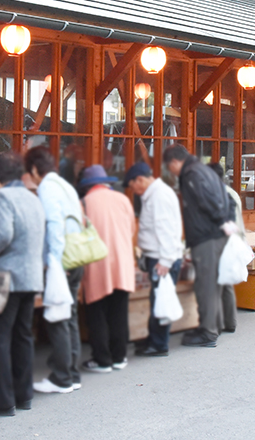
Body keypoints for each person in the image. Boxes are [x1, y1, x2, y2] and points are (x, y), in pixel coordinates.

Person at [0, 151, 45, 416]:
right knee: (23, 336)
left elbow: (1, 235)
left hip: (7, 279)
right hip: (31, 277)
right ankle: (23, 395)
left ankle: (1, 402)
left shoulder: (1, 197)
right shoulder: (32, 197)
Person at [26, 146, 85, 394]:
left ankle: (62, 377)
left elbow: (53, 224)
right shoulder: (65, 185)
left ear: (35, 169)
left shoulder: (48, 188)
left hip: (62, 260)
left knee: (58, 315)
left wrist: (54, 263)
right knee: (68, 315)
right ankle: (72, 374)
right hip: (77, 256)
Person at [163, 144, 233, 347]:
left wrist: (220, 220)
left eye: (170, 168)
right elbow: (227, 198)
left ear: (175, 162)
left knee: (206, 285)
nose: (171, 173)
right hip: (215, 235)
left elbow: (207, 201)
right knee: (215, 284)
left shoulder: (192, 174)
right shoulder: (204, 170)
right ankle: (215, 326)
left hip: (206, 237)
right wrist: (226, 222)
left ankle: (208, 333)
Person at [77, 165, 136, 373]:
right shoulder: (123, 200)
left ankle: (102, 360)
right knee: (119, 312)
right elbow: (130, 230)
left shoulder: (84, 203)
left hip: (96, 264)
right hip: (122, 262)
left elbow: (77, 236)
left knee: (97, 312)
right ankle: (119, 357)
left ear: (87, 186)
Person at [128, 161, 184, 357]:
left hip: (162, 258)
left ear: (140, 179)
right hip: (159, 256)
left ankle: (159, 344)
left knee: (161, 299)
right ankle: (154, 339)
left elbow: (166, 230)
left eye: (133, 185)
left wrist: (165, 261)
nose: (133, 191)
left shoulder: (158, 196)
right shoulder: (156, 194)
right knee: (157, 299)